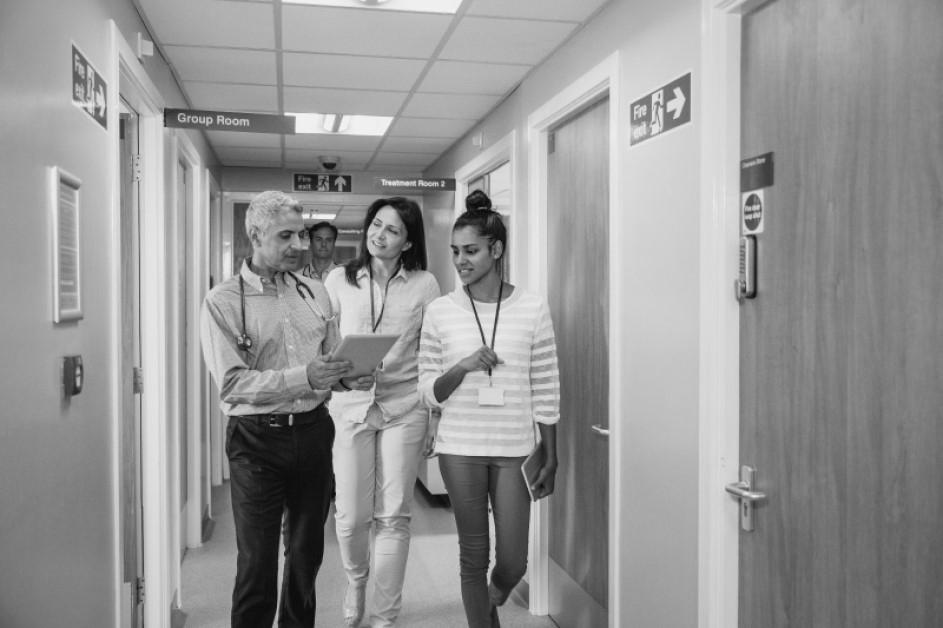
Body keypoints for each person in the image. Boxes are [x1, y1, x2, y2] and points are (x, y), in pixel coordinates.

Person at [199, 190, 374, 628]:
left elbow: (330, 362)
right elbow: (234, 384)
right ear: (255, 235)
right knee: (257, 562)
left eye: (301, 233)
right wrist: (306, 377)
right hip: (255, 441)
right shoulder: (222, 302)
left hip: (314, 432)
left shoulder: (316, 293)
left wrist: (353, 375)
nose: (299, 245)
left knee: (306, 555)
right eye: (286, 236)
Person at [418, 193, 560, 628]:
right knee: (472, 554)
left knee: (514, 560)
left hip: (515, 446)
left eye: (471, 250)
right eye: (456, 252)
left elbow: (547, 383)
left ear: (496, 250)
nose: (461, 260)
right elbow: (429, 391)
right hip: (460, 446)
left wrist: (550, 454)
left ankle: (493, 597)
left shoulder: (533, 307)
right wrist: (461, 367)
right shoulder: (440, 312)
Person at [323, 196, 441, 627]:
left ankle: (385, 616)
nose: (380, 235)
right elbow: (323, 341)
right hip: (351, 406)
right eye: (376, 225)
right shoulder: (339, 279)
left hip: (404, 405)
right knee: (352, 516)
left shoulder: (425, 284)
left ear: (408, 242)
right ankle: (356, 581)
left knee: (394, 515)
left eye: (392, 230)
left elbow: (431, 353)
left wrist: (433, 415)